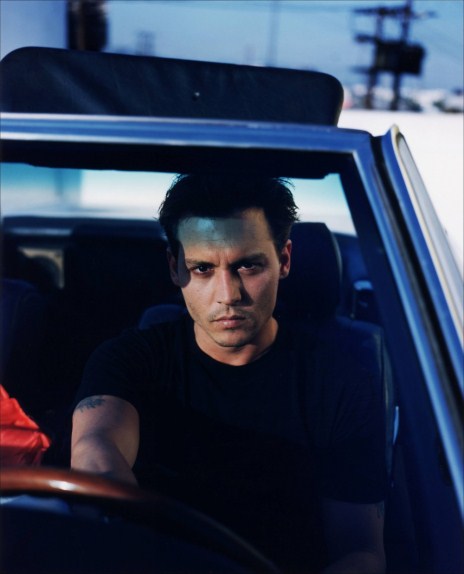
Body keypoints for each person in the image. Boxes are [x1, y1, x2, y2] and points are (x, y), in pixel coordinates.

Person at [71, 174, 387, 573]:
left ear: (284, 260)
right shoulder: (129, 360)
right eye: (203, 268)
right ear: (175, 268)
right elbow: (96, 452)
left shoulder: (340, 384)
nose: (228, 295)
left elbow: (361, 552)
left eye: (248, 265)